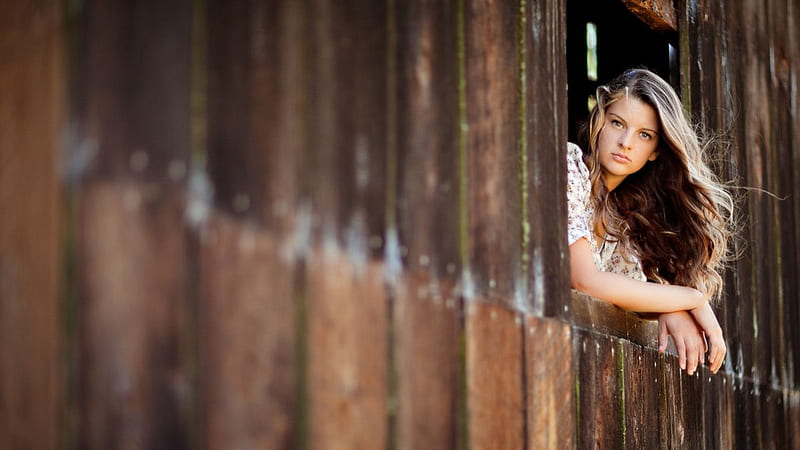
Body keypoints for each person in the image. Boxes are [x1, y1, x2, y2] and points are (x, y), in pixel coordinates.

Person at [567, 69, 734, 375]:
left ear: (656, 150)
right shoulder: (569, 166)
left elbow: (628, 292)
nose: (626, 142)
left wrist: (668, 309)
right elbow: (585, 280)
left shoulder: (620, 220)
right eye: (617, 123)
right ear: (598, 121)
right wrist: (691, 299)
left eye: (645, 135)